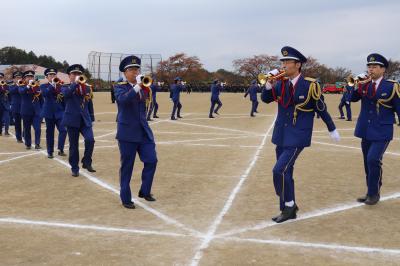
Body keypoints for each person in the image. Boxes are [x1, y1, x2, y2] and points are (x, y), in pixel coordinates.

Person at [261, 46, 340, 223]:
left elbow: (321, 108)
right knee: (286, 172)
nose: (284, 65)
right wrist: (267, 86)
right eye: (282, 61)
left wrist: (331, 128)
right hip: (281, 133)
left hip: (298, 135)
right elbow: (265, 100)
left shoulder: (310, 85)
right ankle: (288, 207)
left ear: (298, 65)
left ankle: (289, 205)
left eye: (287, 62)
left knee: (279, 171)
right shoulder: (280, 83)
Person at [351, 53, 400, 205]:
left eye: (374, 67)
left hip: (382, 130)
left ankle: (374, 193)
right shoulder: (364, 85)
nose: (371, 69)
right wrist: (353, 85)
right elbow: (352, 99)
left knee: (373, 159)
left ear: (382, 69)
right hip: (366, 129)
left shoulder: (391, 86)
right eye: (369, 66)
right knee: (367, 162)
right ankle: (370, 191)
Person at [114, 55, 158, 209]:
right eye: (131, 69)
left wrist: (143, 85)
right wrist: (137, 86)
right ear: (125, 73)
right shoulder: (120, 86)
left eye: (137, 69)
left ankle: (144, 191)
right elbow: (123, 101)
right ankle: (125, 197)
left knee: (152, 160)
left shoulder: (146, 87)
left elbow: (149, 103)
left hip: (143, 131)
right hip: (127, 132)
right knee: (127, 166)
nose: (135, 72)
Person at [61, 64, 95, 177]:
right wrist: (75, 83)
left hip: (85, 119)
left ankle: (86, 161)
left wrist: (92, 117)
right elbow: (66, 95)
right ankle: (74, 168)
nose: (77, 76)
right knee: (73, 146)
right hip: (72, 119)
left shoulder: (87, 87)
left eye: (79, 74)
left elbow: (89, 103)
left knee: (90, 140)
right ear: (69, 76)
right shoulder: (65, 87)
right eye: (74, 74)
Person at [40, 68, 67, 158]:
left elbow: (64, 99)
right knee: (50, 133)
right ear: (47, 77)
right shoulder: (43, 86)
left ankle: (60, 149)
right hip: (49, 113)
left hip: (60, 112)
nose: (52, 76)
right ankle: (50, 152)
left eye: (54, 75)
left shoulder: (61, 86)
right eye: (50, 75)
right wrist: (52, 84)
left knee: (63, 130)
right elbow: (46, 94)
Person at [19, 70, 42, 150]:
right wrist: (28, 86)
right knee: (27, 128)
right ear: (24, 78)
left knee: (37, 128)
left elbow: (41, 98)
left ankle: (37, 143)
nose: (30, 78)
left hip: (36, 110)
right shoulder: (21, 85)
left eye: (31, 76)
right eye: (28, 77)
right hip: (26, 111)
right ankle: (28, 144)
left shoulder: (37, 86)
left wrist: (41, 109)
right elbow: (21, 92)